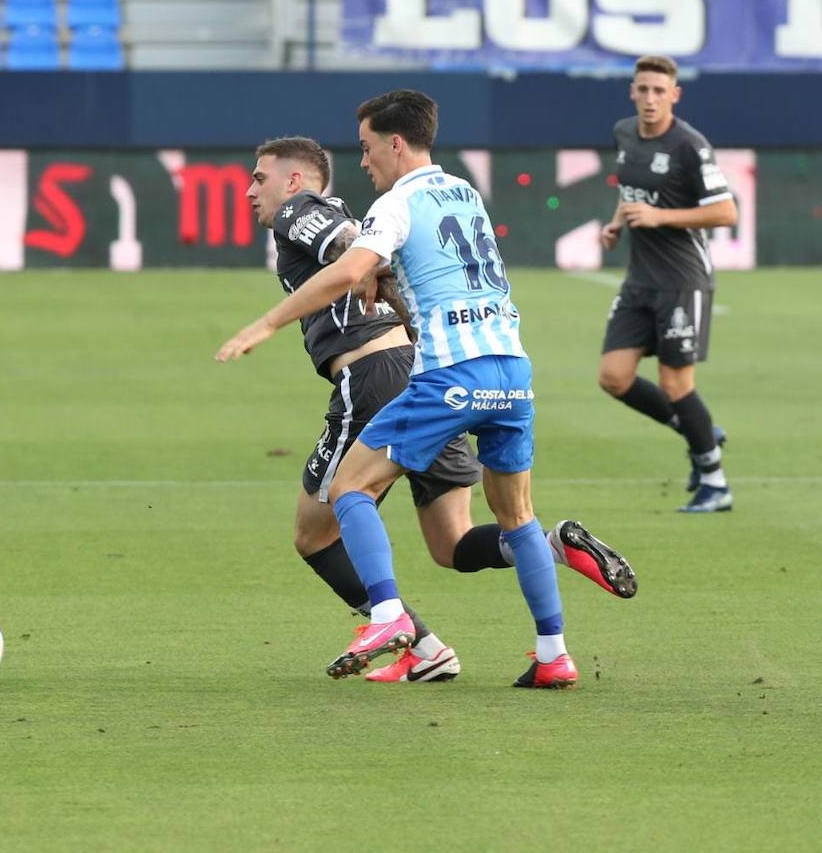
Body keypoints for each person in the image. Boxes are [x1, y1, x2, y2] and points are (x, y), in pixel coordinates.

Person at [220, 91, 583, 689]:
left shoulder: (395, 202)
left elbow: (343, 262)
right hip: (512, 370)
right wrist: (386, 286)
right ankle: (553, 654)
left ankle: (389, 619)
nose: (363, 162)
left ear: (394, 144)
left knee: (348, 491)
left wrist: (266, 322)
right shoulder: (465, 192)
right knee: (503, 523)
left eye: (366, 149)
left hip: (442, 376)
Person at [598, 55, 738, 513]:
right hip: (639, 280)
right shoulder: (623, 133)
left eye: (660, 90)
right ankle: (697, 430)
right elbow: (631, 189)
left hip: (682, 281)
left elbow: (726, 211)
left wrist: (661, 217)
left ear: (675, 95)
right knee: (614, 378)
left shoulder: (690, 146)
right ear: (632, 92)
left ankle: (715, 482)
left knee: (677, 385)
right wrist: (618, 221)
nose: (651, 98)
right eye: (644, 89)